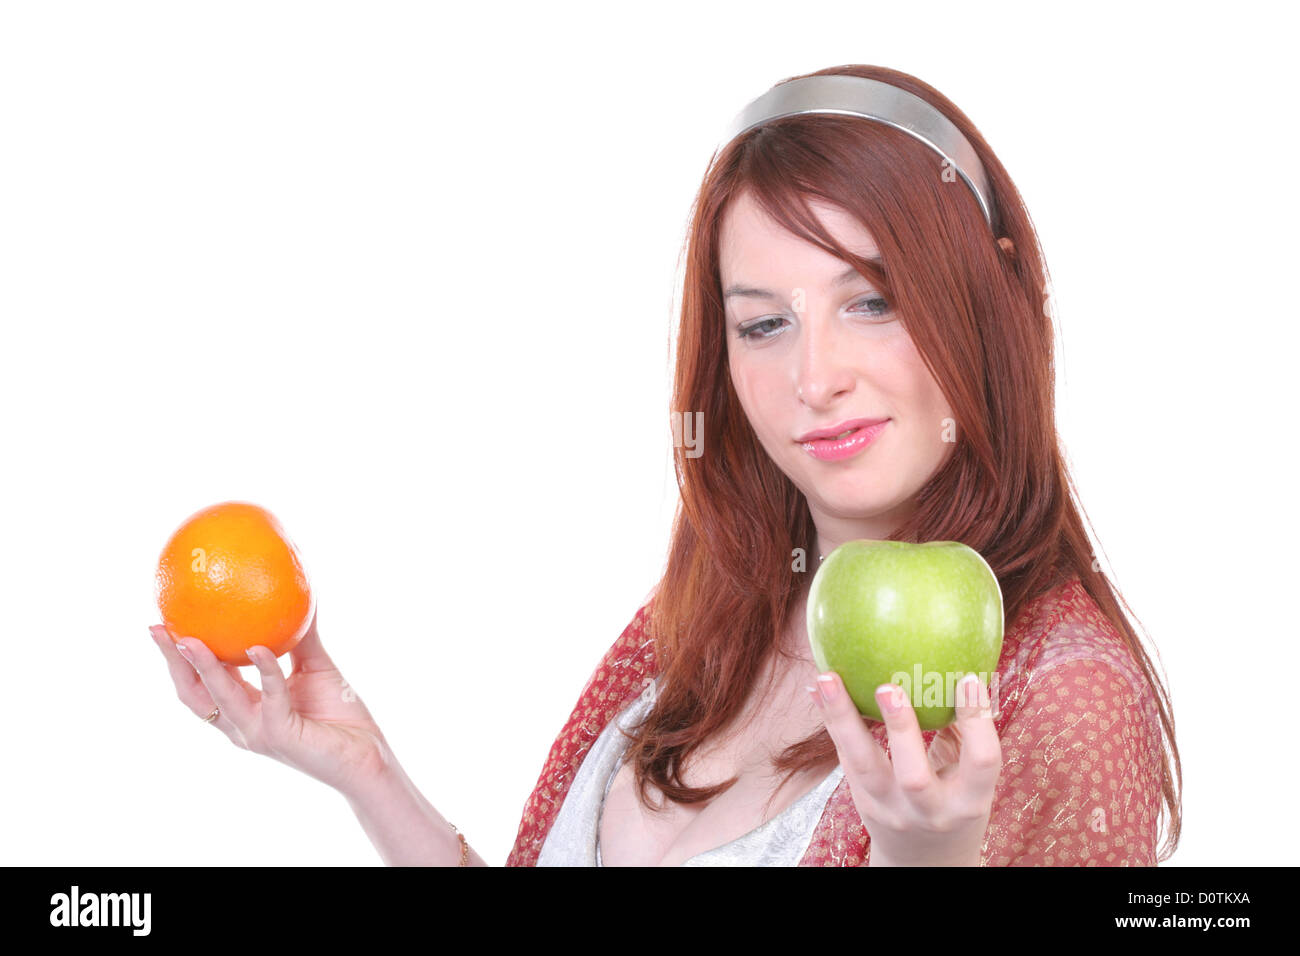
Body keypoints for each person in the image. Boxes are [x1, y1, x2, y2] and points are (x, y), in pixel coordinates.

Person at [151, 64, 1182, 867]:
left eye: (871, 300)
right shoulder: (702, 617)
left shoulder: (1059, 692)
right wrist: (361, 766)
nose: (813, 376)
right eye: (764, 324)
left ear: (987, 301)